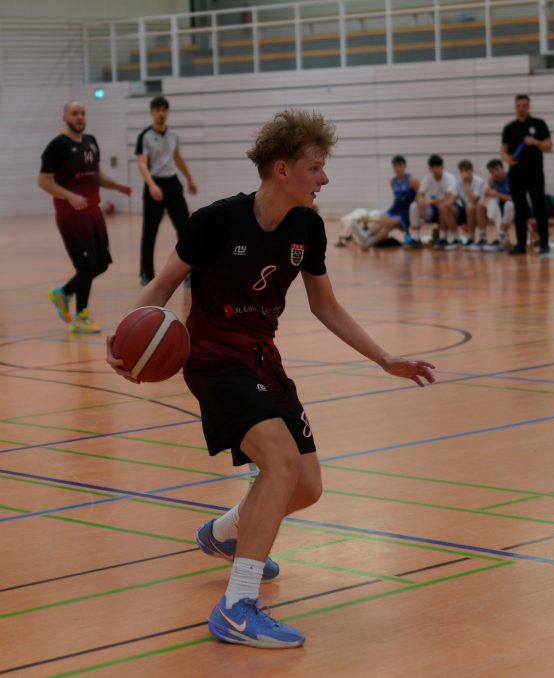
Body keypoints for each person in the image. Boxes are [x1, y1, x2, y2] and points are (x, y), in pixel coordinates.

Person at [107, 109, 436, 648]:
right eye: (316, 167)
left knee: (306, 486)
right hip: (212, 357)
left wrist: (384, 358)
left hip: (263, 358)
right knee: (279, 462)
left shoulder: (308, 227)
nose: (324, 178)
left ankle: (225, 532)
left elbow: (325, 305)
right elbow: (163, 285)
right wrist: (122, 336)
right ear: (282, 170)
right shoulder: (215, 221)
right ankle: (238, 606)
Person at [38, 101, 131, 333]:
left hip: (93, 211)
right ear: (65, 117)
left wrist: (116, 186)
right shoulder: (57, 146)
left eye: (82, 113)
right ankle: (81, 316)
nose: (79, 117)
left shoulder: (91, 141)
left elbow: (95, 175)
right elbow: (44, 181)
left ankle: (64, 293)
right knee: (87, 265)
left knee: (101, 264)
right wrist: (70, 196)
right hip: (72, 215)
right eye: (74, 113)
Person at [136, 96, 197, 285]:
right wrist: (152, 185)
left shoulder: (173, 135)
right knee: (150, 231)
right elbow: (142, 163)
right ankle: (146, 273)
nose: (161, 113)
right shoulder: (145, 136)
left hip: (172, 185)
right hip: (154, 185)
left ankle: (188, 272)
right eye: (157, 110)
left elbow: (177, 157)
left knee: (185, 228)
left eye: (164, 110)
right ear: (152, 112)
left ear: (167, 112)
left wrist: (189, 178)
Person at [501, 94, 553, 255]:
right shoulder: (509, 128)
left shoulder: (539, 124)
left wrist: (536, 142)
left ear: (529, 107)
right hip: (516, 176)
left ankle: (544, 243)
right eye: (518, 106)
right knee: (520, 210)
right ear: (515, 107)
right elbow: (503, 151)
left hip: (535, 174)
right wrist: (508, 160)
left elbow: (549, 146)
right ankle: (521, 245)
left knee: (539, 208)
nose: (521, 108)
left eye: (524, 106)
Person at [409, 154, 457, 250]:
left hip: (451, 208)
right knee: (414, 206)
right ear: (430, 168)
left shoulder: (449, 178)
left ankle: (448, 237)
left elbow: (449, 197)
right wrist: (421, 200)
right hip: (434, 209)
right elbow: (419, 194)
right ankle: (416, 238)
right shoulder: (427, 178)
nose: (435, 170)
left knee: (443, 206)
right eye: (432, 167)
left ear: (442, 167)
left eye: (437, 167)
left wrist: (430, 202)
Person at [456, 159, 488, 248]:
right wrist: (460, 221)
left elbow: (473, 199)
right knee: (463, 208)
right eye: (462, 171)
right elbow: (455, 199)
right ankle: (470, 238)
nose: (464, 173)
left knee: (472, 207)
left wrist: (466, 184)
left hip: (482, 208)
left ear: (471, 171)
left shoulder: (479, 181)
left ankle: (482, 237)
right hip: (465, 209)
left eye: (466, 170)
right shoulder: (458, 184)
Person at [485, 158, 515, 250]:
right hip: (502, 208)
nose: (495, 173)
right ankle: (500, 237)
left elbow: (514, 199)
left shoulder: (511, 177)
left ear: (503, 168)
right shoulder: (492, 180)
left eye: (496, 169)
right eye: (491, 171)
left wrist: (496, 194)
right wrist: (489, 186)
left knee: (509, 205)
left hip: (518, 206)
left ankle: (501, 234)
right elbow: (487, 193)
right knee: (493, 202)